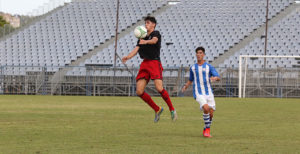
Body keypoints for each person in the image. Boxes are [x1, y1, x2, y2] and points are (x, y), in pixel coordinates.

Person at [122, 16, 177, 123]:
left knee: (159, 88)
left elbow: (154, 41)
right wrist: (128, 57)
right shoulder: (142, 37)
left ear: (153, 24)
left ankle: (172, 109)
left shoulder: (155, 33)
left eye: (148, 23)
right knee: (139, 91)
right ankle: (157, 109)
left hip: (154, 62)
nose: (146, 24)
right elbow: (136, 49)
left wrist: (145, 42)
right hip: (145, 64)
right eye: (145, 23)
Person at [181, 47, 220, 138]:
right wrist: (186, 86)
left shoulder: (209, 67)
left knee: (211, 113)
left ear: (204, 55)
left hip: (209, 93)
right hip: (198, 92)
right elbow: (191, 79)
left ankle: (205, 128)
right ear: (196, 55)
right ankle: (207, 131)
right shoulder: (193, 68)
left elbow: (217, 76)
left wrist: (215, 78)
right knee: (206, 108)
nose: (199, 54)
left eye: (200, 53)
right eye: (197, 53)